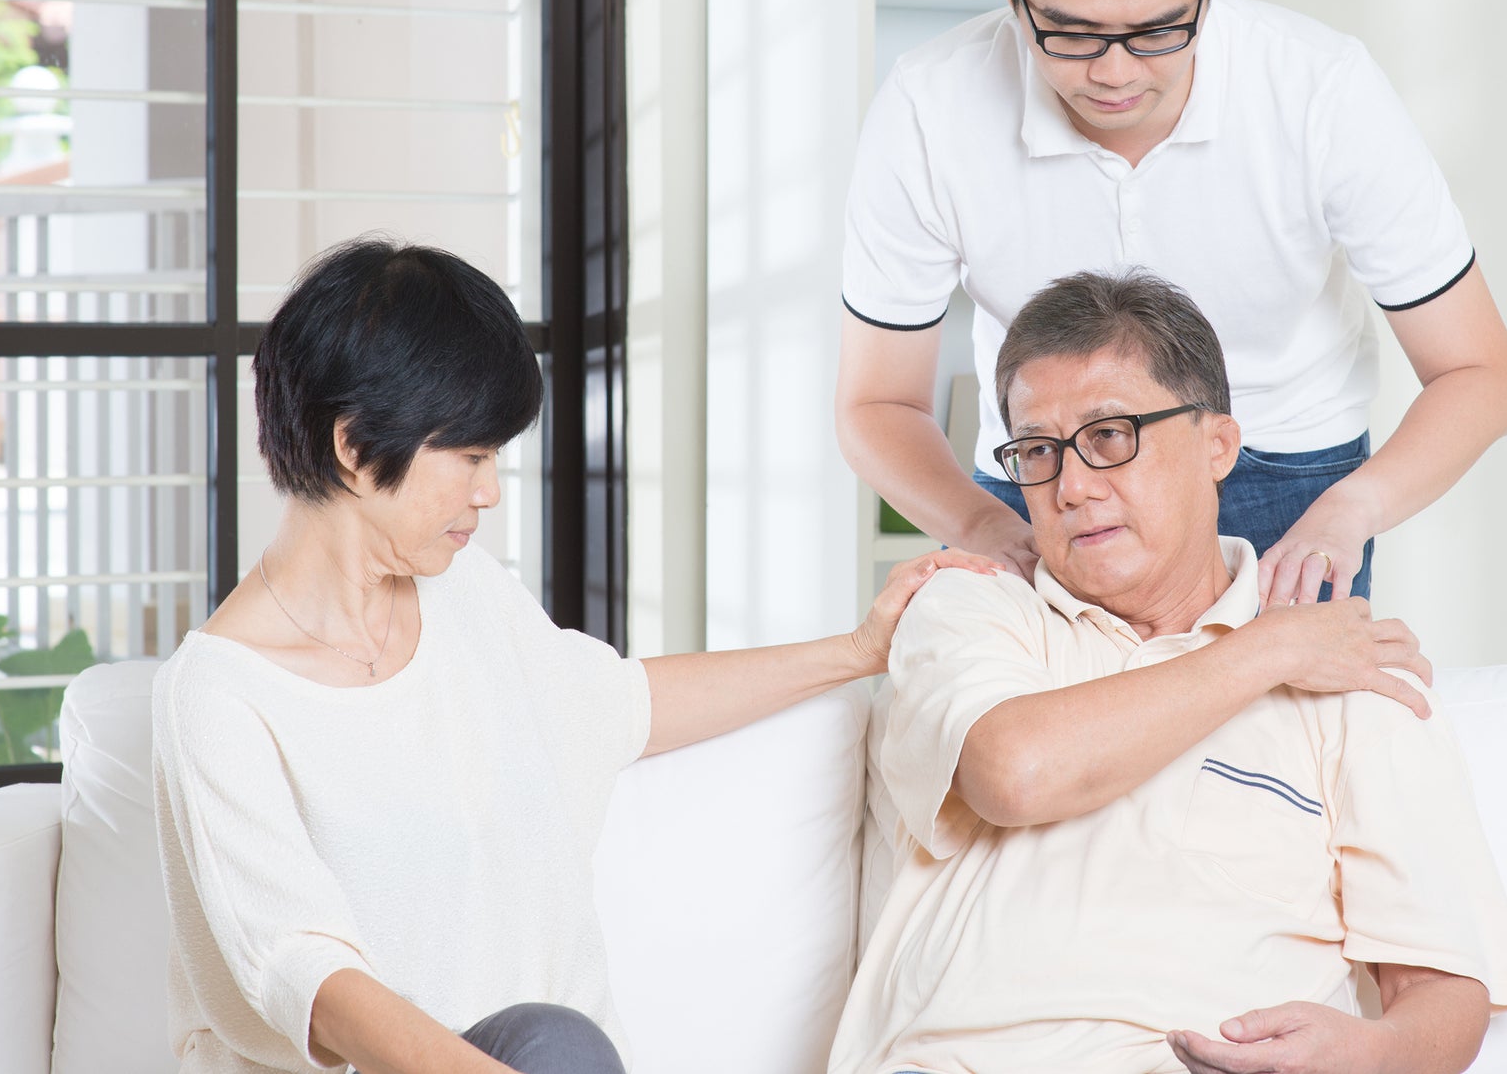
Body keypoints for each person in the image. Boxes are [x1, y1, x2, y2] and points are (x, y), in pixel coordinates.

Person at [152, 238, 996, 1074]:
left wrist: (859, 648)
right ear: (352, 444)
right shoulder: (220, 695)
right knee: (555, 1046)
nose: (488, 490)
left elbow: (621, 703)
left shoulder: (465, 596)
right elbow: (310, 977)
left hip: (554, 1055)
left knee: (558, 1041)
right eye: (472, 455)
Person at [836, 0, 1507, 607]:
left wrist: (1349, 512)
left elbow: (1481, 371)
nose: (1117, 73)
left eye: (1160, 28)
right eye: (1072, 33)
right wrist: (985, 527)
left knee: (1277, 739)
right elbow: (876, 401)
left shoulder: (1321, 90)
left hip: (1287, 478)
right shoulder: (928, 108)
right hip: (1041, 483)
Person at [830, 270, 1507, 1074]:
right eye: (1037, 450)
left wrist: (1372, 1054)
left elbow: (1443, 991)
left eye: (1110, 435)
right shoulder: (973, 607)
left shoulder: (1353, 679)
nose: (1070, 486)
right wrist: (1268, 649)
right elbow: (1013, 769)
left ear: (1218, 447)